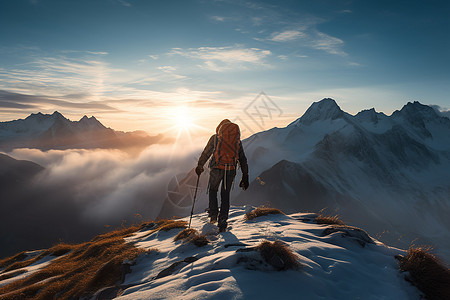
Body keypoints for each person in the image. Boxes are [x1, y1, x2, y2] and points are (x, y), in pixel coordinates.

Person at [195, 119, 249, 232]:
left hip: (216, 169)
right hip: (230, 170)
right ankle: (223, 221)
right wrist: (245, 175)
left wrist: (200, 165)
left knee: (213, 190)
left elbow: (206, 152)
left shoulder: (215, 138)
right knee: (225, 195)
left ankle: (213, 215)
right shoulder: (237, 141)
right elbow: (242, 159)